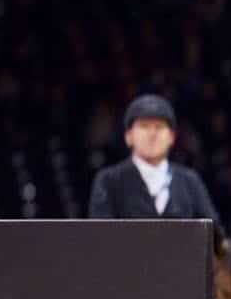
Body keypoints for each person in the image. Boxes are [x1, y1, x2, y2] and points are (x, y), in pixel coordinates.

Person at [88, 94, 223, 236]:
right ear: (128, 136)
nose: (152, 134)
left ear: (172, 137)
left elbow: (214, 236)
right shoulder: (109, 180)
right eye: (144, 126)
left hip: (182, 258)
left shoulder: (189, 180)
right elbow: (100, 238)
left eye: (159, 127)